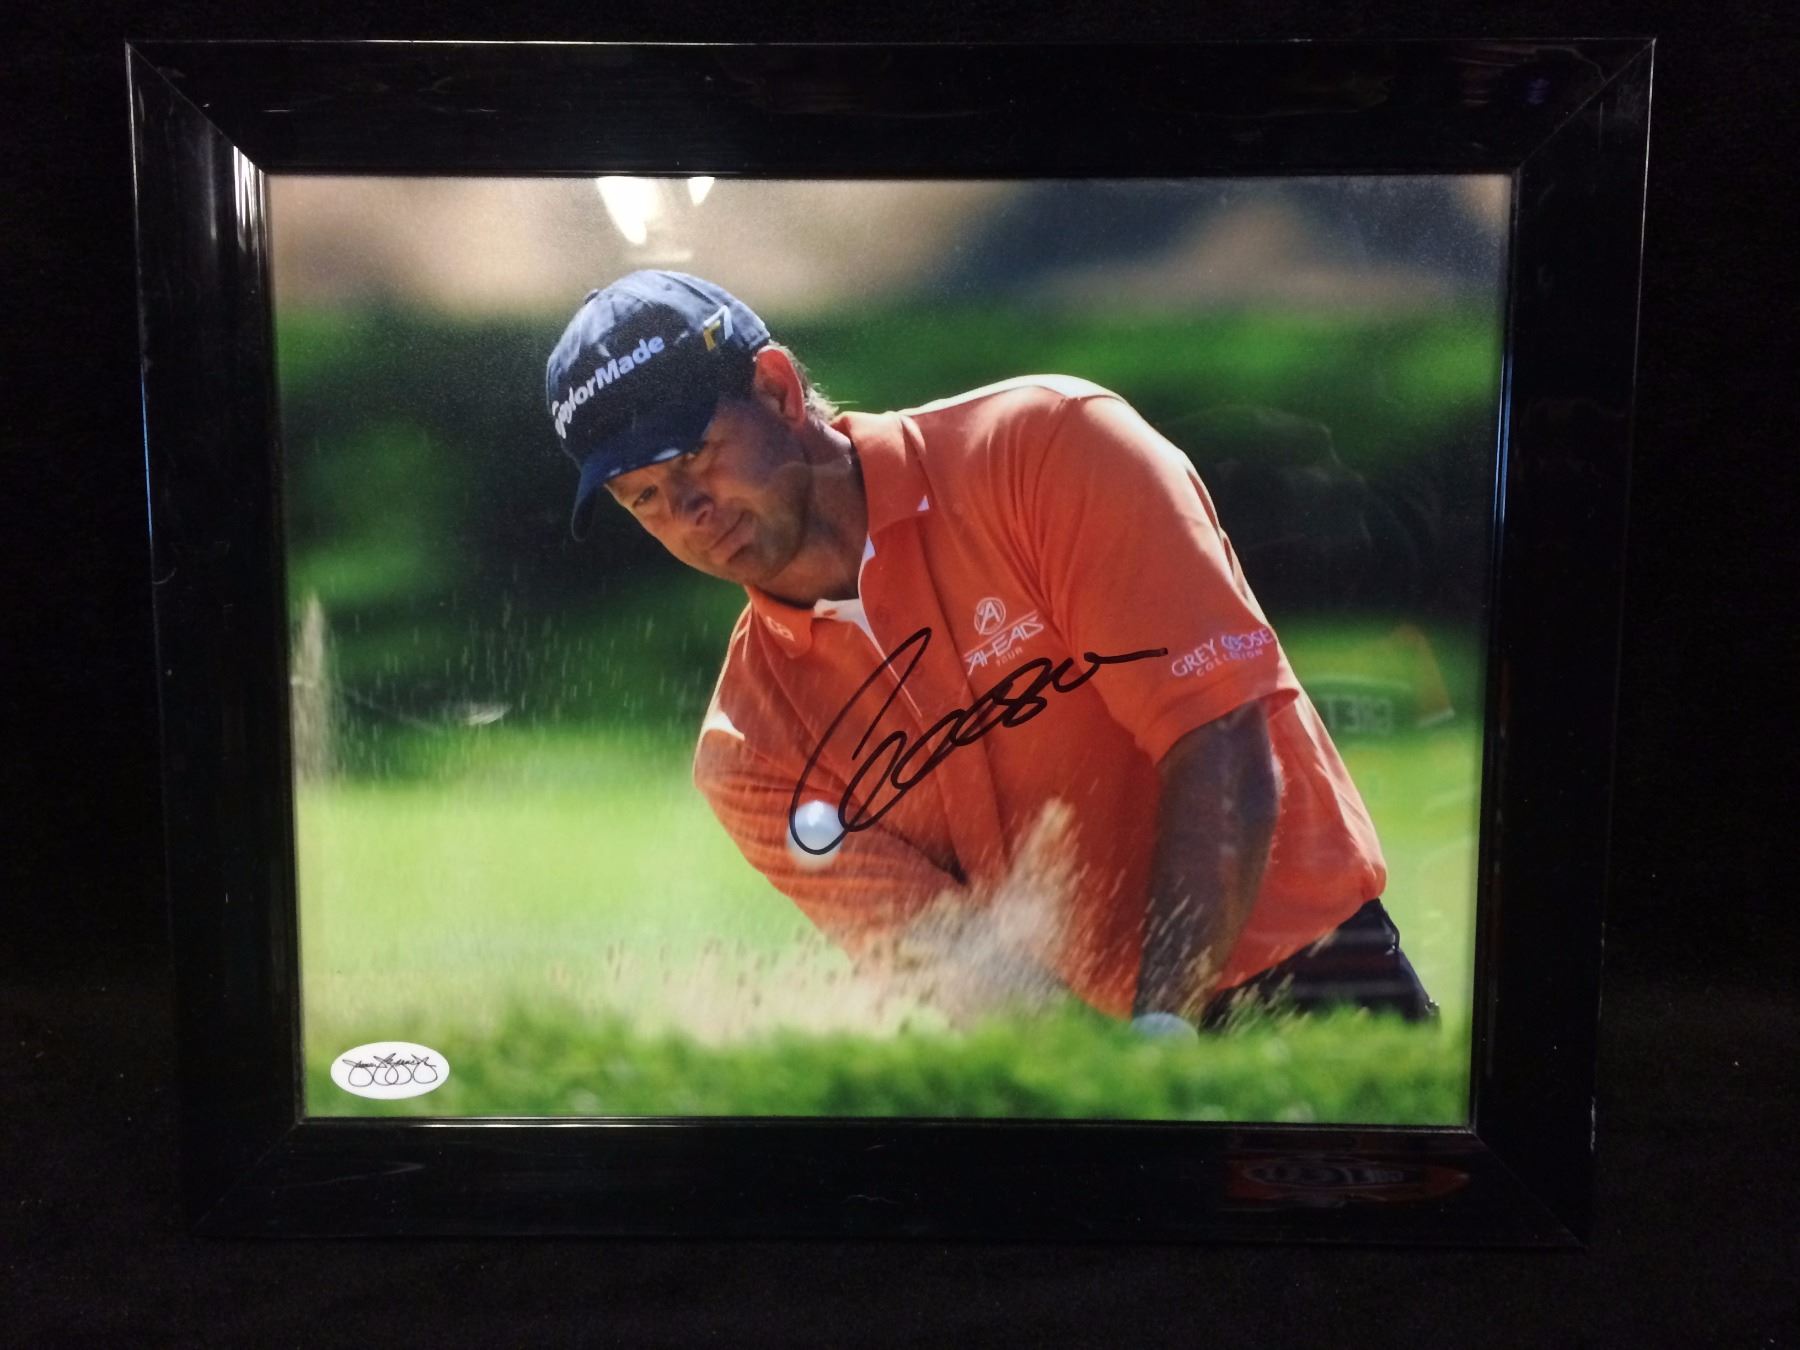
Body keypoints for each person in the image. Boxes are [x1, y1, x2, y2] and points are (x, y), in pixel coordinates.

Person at [543, 269, 1437, 1031]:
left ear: (777, 389)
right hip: (1110, 1054)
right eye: (643, 497)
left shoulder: (1049, 449)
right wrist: (1111, 1088)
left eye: (695, 456)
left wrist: (1162, 1031)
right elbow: (967, 970)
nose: (688, 512)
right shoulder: (750, 756)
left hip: (1319, 979)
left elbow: (1219, 737)